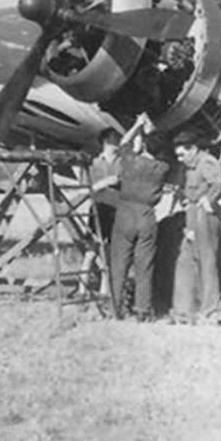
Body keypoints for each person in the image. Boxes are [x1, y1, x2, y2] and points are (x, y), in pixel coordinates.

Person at [108, 126, 171, 321]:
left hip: (125, 213)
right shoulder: (162, 168)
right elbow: (166, 151)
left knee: (119, 263)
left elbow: (123, 144)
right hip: (147, 215)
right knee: (145, 265)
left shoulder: (130, 161)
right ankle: (143, 310)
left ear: (143, 145)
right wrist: (153, 131)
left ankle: (115, 308)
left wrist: (136, 126)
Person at [169, 130, 221, 325]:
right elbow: (182, 188)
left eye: (182, 154)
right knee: (185, 260)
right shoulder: (186, 167)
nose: (179, 158)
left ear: (193, 149)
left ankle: (211, 311)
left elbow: (220, 183)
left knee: (206, 261)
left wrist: (207, 200)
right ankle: (183, 312)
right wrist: (185, 202)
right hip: (192, 213)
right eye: (177, 155)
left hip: (206, 214)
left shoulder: (206, 162)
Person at [74, 128, 121, 298]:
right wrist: (103, 184)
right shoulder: (93, 163)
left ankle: (104, 292)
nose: (118, 142)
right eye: (115, 139)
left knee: (109, 253)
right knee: (91, 252)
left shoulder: (122, 162)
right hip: (99, 209)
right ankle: (82, 290)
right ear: (106, 141)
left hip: (116, 210)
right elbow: (83, 190)